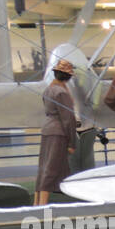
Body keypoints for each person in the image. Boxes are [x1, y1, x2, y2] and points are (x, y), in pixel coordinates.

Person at [33, 58, 77, 205]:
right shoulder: (62, 93)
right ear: (69, 76)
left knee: (44, 167)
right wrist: (72, 142)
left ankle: (37, 203)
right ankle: (42, 205)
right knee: (51, 169)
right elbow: (68, 119)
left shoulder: (48, 89)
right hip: (58, 133)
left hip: (47, 129)